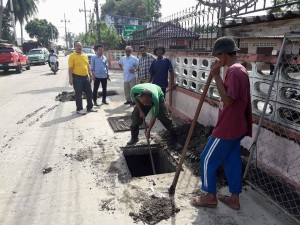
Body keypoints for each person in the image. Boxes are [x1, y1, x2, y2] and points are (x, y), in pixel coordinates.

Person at [190, 36, 252, 210]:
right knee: (231, 161)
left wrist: (216, 75)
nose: (217, 60)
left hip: (228, 127)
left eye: (218, 56)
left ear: (223, 55)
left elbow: (228, 100)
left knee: (206, 159)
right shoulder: (239, 69)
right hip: (237, 125)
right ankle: (234, 199)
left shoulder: (234, 72)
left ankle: (210, 196)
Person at [127, 83, 182, 150]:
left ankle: (175, 141)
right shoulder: (134, 90)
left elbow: (154, 116)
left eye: (148, 102)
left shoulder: (155, 99)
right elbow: (135, 99)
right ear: (140, 97)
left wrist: (148, 131)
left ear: (151, 99)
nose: (145, 104)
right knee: (135, 117)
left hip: (159, 97)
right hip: (145, 94)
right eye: (144, 102)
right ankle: (134, 138)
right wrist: (141, 110)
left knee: (165, 119)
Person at [68, 41, 97, 115]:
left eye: (80, 46)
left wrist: (90, 75)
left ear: (82, 47)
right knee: (78, 94)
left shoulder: (85, 55)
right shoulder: (72, 56)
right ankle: (79, 109)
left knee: (89, 93)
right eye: (77, 46)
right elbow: (70, 68)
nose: (79, 47)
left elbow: (88, 66)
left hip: (85, 77)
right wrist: (70, 78)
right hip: (77, 78)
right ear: (74, 47)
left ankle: (89, 107)